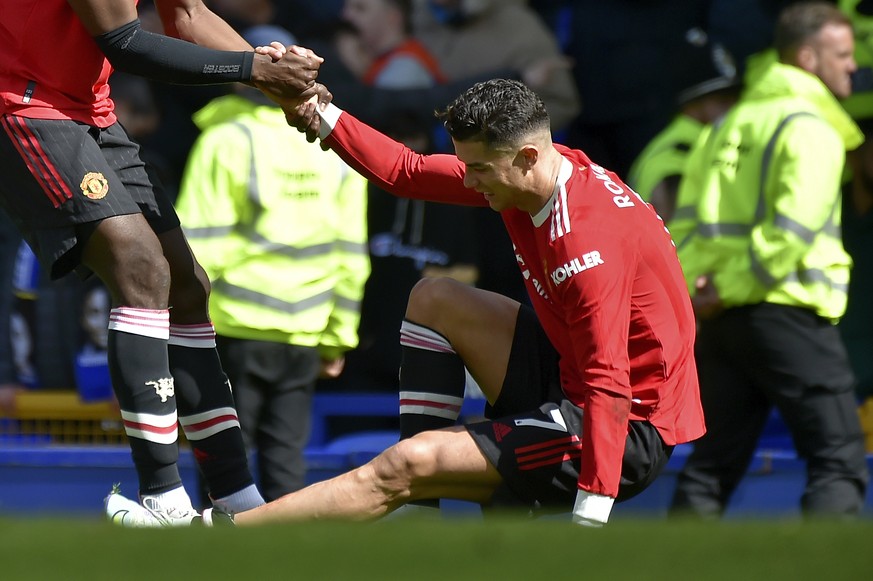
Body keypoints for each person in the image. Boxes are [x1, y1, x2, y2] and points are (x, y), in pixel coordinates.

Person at [114, 77, 706, 527]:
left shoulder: (586, 241)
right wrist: (319, 112)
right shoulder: (544, 174)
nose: (469, 182)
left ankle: (210, 537)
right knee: (434, 296)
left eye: (478, 170)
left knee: (404, 465)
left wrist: (591, 511)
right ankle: (424, 515)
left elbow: (609, 381)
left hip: (623, 426)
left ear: (526, 156)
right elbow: (406, 170)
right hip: (570, 372)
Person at [0, 0, 325, 525]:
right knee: (141, 267)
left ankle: (235, 497)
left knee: (189, 287)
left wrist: (283, 84)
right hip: (24, 105)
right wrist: (256, 70)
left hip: (90, 111)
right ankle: (164, 499)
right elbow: (122, 41)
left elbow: (190, 14)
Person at [668, 1, 869, 519]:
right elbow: (793, 232)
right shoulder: (812, 127)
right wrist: (733, 287)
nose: (854, 65)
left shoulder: (724, 127)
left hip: (722, 319)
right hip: (786, 310)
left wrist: (702, 291)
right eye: (842, 54)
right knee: (838, 458)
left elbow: (685, 228)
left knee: (710, 466)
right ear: (808, 56)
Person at [174, 24, 370, 502]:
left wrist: (180, 325)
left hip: (234, 328)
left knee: (223, 458)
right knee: (287, 460)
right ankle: (289, 559)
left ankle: (222, 558)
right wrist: (337, 337)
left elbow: (199, 246)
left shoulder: (225, 140)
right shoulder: (335, 143)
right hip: (305, 330)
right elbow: (350, 254)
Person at [627, 30, 742, 222]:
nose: (733, 106)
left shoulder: (679, 142)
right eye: (722, 100)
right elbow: (667, 217)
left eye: (735, 98)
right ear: (692, 103)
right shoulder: (676, 154)